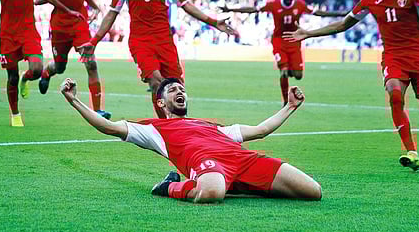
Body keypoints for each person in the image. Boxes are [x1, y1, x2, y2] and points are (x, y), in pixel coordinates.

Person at [284, 0, 419, 170]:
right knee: (395, 94)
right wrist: (309, 33)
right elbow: (342, 24)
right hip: (394, 58)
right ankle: (411, 151)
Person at [60, 77, 322, 203]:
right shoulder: (155, 129)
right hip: (207, 164)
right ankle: (168, 187)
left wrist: (290, 106)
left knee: (312, 192)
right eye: (173, 90)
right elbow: (109, 127)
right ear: (161, 102)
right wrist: (74, 101)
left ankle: (236, 185)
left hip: (243, 160)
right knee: (210, 193)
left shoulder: (212, 126)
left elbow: (261, 130)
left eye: (182, 89)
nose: (180, 92)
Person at [79, 0, 236, 118]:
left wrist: (214, 22)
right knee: (156, 83)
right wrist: (94, 41)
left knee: (176, 87)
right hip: (141, 43)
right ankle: (166, 128)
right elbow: (112, 13)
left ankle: (178, 126)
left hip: (164, 42)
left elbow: (186, 5)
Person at [221, 0, 347, 105]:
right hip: (278, 41)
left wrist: (341, 15)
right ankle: (286, 101)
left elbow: (319, 13)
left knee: (298, 76)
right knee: (283, 72)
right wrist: (231, 9)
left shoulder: (300, 5)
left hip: (294, 40)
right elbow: (253, 10)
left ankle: (289, 68)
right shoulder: (273, 5)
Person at [34, 0, 111, 119]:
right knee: (60, 67)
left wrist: (95, 7)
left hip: (79, 24)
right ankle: (47, 72)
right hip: (60, 27)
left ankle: (98, 110)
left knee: (91, 63)